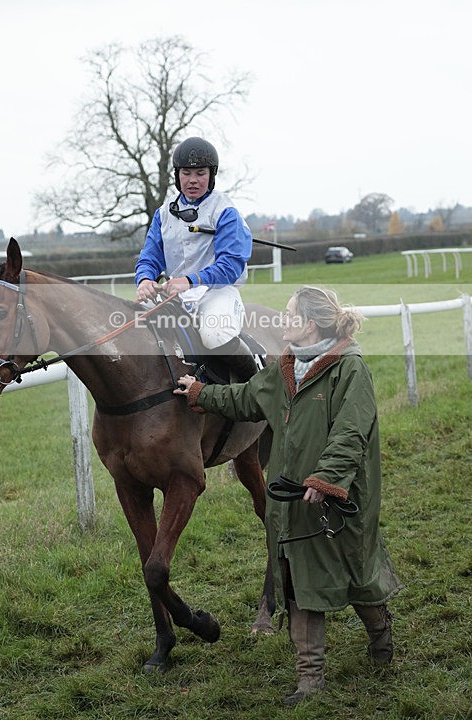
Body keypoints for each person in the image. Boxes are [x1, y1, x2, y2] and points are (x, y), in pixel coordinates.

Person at [174, 285, 404, 706]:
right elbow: (246, 397)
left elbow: (351, 433)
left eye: (289, 314)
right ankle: (310, 679)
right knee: (297, 581)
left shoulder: (349, 370)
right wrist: (200, 394)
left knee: (354, 574)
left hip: (339, 497)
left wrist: (326, 480)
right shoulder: (285, 367)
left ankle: (381, 634)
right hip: (291, 501)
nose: (282, 320)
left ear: (309, 324)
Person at [135, 136, 257, 381]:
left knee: (215, 335)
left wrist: (190, 281)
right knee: (135, 328)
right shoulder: (162, 213)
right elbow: (150, 256)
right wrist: (145, 279)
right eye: (186, 173)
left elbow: (231, 265)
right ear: (177, 175)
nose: (192, 180)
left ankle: (257, 387)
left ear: (211, 176)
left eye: (200, 173)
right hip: (173, 293)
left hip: (216, 292)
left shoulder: (225, 211)